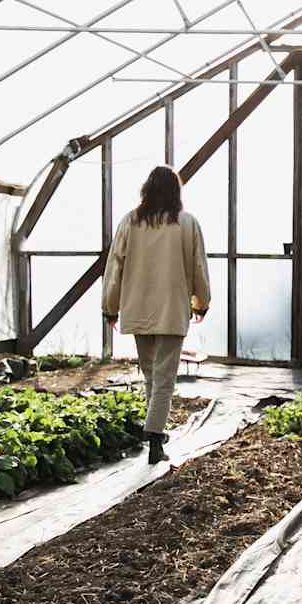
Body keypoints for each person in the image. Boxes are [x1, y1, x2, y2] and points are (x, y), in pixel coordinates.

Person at [102, 166, 211, 464]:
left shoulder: (130, 221)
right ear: (176, 191)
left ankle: (155, 435)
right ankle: (154, 441)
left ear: (146, 190)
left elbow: (114, 270)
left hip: (138, 309)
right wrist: (201, 302)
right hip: (171, 310)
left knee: (151, 375)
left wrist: (110, 308)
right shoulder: (187, 223)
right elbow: (199, 267)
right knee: (163, 378)